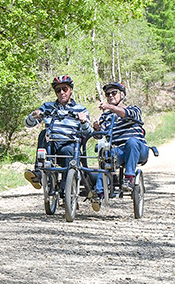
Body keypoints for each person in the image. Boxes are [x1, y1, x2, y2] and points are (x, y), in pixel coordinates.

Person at [22, 75, 97, 208]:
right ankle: (39, 172)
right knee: (43, 133)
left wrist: (83, 121)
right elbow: (28, 124)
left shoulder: (80, 109)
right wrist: (34, 115)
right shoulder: (48, 107)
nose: (61, 92)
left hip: (69, 143)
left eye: (64, 89)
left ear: (70, 90)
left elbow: (88, 132)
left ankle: (65, 194)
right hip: (51, 141)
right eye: (58, 90)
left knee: (69, 154)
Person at [94, 80, 149, 193]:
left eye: (114, 93)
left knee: (132, 142)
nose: (110, 96)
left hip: (138, 150)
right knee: (106, 153)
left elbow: (125, 114)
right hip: (118, 151)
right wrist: (97, 129)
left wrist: (110, 107)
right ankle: (99, 192)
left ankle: (129, 178)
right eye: (107, 94)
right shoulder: (106, 116)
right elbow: (100, 136)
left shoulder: (134, 109)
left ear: (122, 94)